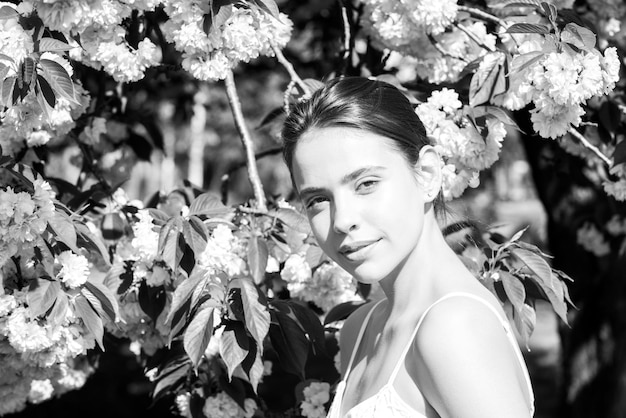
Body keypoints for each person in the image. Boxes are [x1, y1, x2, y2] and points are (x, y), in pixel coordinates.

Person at [281, 77, 535, 417]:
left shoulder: (452, 326)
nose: (342, 220)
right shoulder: (360, 329)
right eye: (317, 199)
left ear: (428, 174)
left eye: (366, 183)